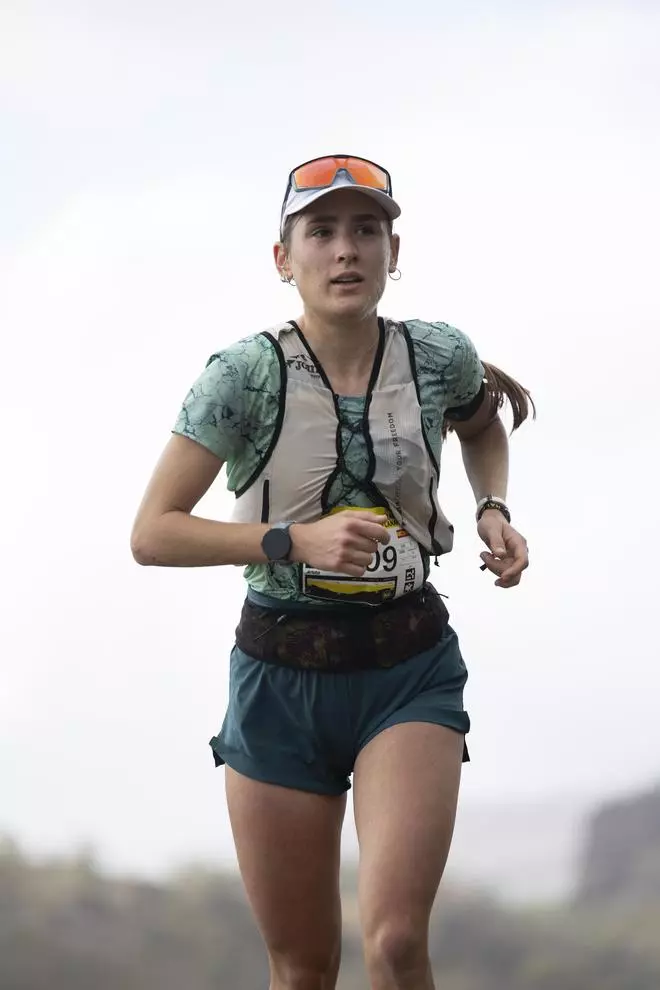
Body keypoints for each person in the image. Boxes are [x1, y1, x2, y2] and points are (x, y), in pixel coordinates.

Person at [131, 154, 533, 990]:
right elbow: (153, 533)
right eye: (321, 232)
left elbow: (482, 424)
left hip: (407, 666)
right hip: (279, 677)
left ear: (393, 251)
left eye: (366, 231)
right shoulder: (241, 377)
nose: (345, 250)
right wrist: (290, 543)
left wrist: (492, 506)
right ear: (285, 258)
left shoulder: (438, 355)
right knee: (303, 968)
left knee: (396, 944)